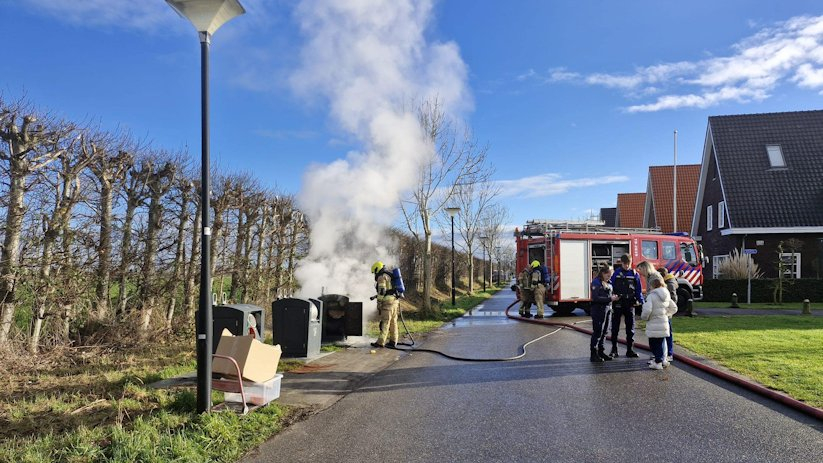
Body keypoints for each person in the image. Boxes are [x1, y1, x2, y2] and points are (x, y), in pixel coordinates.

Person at [609, 254, 644, 358]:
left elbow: (638, 290)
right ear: (622, 263)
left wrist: (641, 301)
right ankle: (614, 350)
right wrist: (611, 297)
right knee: (615, 328)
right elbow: (611, 286)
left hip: (630, 304)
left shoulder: (634, 274)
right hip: (618, 303)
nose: (627, 266)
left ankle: (630, 350)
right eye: (625, 264)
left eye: (629, 263)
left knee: (630, 328)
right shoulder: (616, 273)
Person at [641, 278, 678, 369]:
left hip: (653, 322)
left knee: (653, 343)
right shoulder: (666, 295)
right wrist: (667, 314)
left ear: (652, 286)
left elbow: (647, 310)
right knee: (662, 342)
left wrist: (645, 318)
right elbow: (674, 308)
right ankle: (663, 360)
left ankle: (658, 362)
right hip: (664, 322)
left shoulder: (651, 296)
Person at [589, 265, 618, 362]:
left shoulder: (609, 282)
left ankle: (601, 352)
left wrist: (613, 297)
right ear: (603, 273)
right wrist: (610, 299)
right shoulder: (596, 282)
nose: (609, 277)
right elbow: (595, 298)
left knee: (605, 331)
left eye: (610, 275)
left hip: (608, 309)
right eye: (608, 275)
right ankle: (594, 354)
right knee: (598, 332)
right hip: (598, 310)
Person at [370, 261, 399, 348]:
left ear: (377, 269)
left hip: (387, 303)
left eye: (375, 271)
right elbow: (389, 290)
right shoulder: (389, 275)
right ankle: (393, 341)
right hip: (395, 301)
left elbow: (382, 291)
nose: (375, 274)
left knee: (385, 322)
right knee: (393, 322)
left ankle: (380, 342)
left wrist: (379, 303)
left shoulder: (381, 277)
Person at [659, 267, 679, 362]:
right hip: (666, 312)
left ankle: (669, 354)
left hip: (667, 313)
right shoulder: (670, 282)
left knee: (668, 333)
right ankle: (665, 353)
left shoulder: (669, 284)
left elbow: (673, 300)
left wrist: (667, 310)